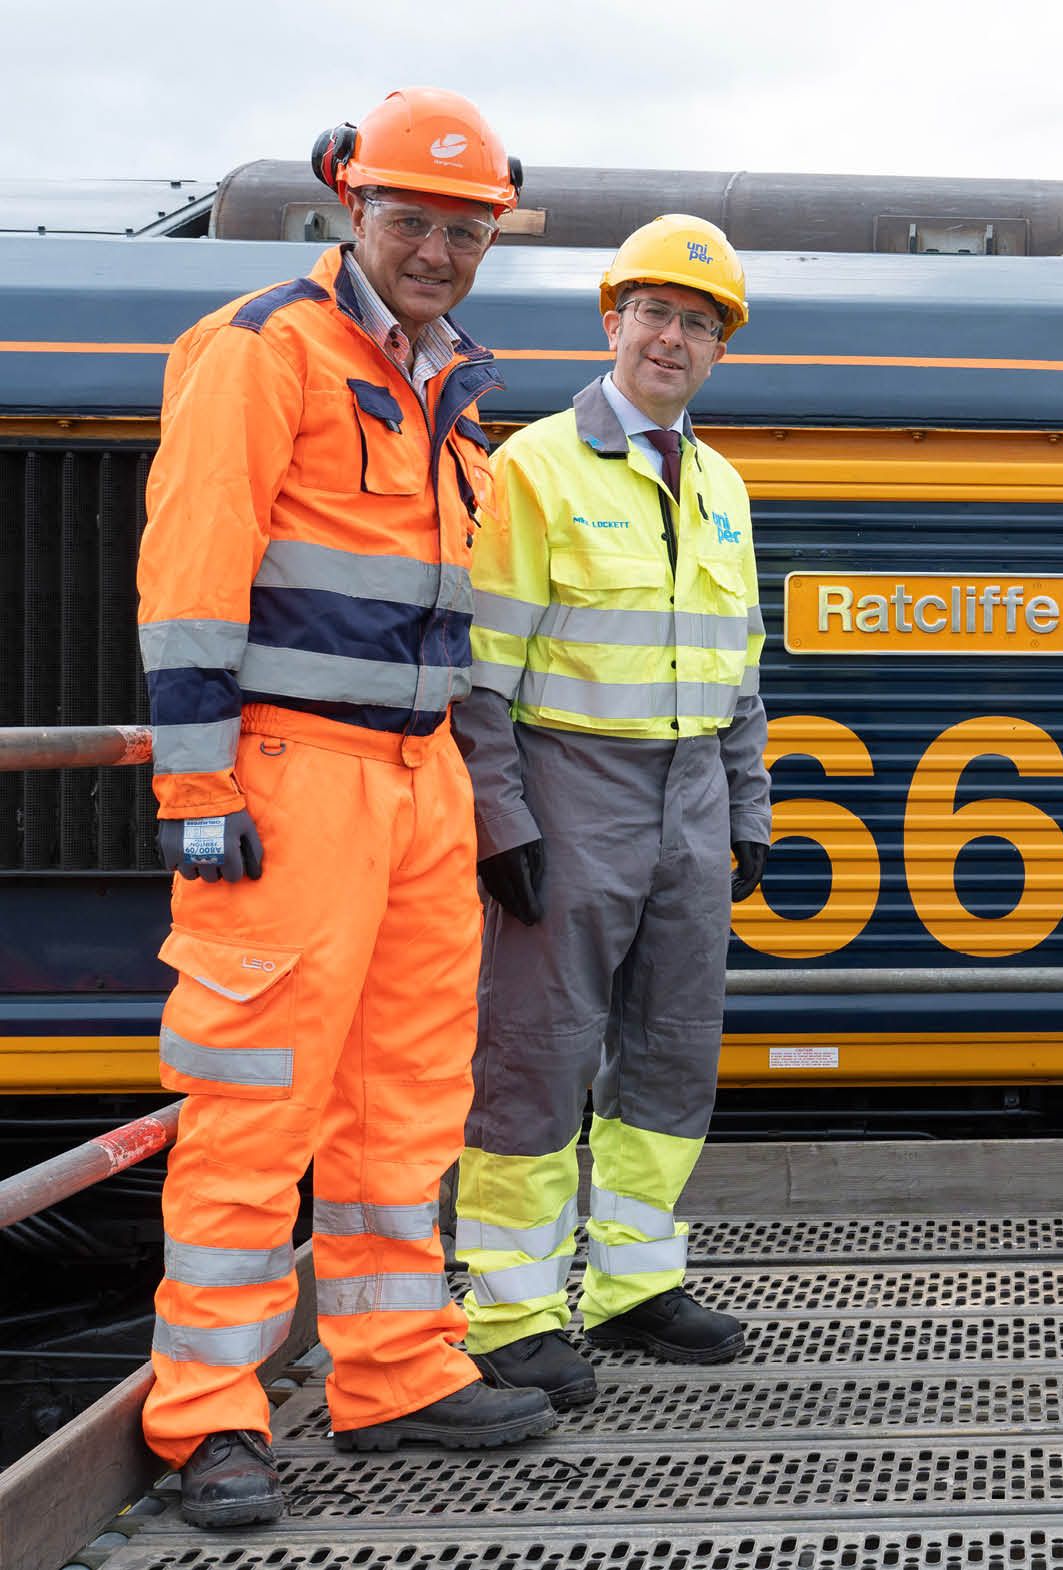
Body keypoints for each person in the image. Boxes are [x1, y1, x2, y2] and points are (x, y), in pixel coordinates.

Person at [134, 88, 555, 1528]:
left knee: (407, 1098)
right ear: (346, 203)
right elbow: (191, 572)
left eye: (463, 228)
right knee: (255, 1105)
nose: (435, 249)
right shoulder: (264, 351)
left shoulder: (450, 386)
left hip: (418, 780)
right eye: (410, 219)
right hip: (293, 779)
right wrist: (197, 786)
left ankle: (392, 1370)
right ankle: (210, 1414)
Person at [451, 214, 771, 1408]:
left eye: (699, 322)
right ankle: (514, 1310)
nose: (674, 338)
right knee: (538, 1054)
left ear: (719, 346)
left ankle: (634, 1285)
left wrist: (747, 808)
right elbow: (482, 672)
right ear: (612, 321)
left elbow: (742, 669)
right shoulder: (534, 466)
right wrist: (503, 821)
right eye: (656, 313)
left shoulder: (726, 484)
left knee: (673, 1053)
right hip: (571, 785)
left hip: (690, 792)